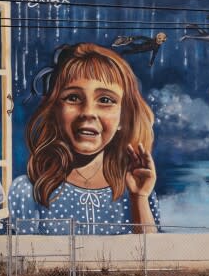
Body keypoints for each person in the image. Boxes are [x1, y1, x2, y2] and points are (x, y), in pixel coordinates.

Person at [8, 43, 159, 234]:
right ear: (55, 111)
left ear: (124, 117)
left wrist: (139, 198)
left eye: (105, 100)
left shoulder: (137, 188)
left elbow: (151, 256)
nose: (88, 113)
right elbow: (23, 259)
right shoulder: (29, 191)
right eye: (73, 97)